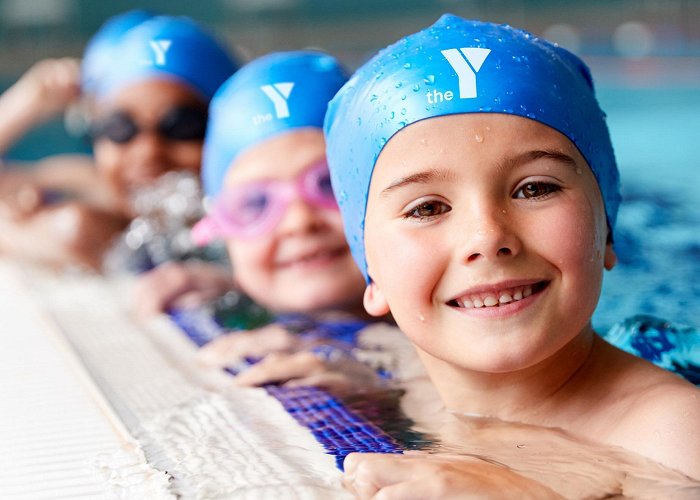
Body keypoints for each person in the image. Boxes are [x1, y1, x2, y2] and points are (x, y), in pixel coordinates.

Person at [324, 14, 700, 496]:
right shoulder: (408, 383)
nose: (487, 236)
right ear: (370, 273)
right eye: (428, 208)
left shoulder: (674, 435)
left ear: (606, 229)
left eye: (535, 188)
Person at [155, 51, 383, 391]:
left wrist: (390, 376)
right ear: (220, 229)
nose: (299, 222)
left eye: (330, 185)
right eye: (255, 203)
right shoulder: (228, 308)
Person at [0, 13, 238, 270]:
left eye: (182, 126)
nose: (148, 151)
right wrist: (29, 100)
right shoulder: (87, 183)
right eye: (120, 128)